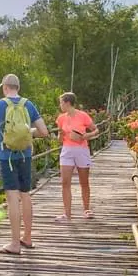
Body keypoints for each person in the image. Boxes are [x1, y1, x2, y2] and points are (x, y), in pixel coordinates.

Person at [0, 74, 48, 254]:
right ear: (18, 87)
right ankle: (27, 238)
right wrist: (27, 132)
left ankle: (15, 244)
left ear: (5, 87)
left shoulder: (0, 104)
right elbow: (44, 132)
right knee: (25, 195)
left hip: (6, 156)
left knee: (12, 198)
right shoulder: (28, 104)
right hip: (25, 156)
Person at [55, 92, 99, 221]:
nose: (60, 105)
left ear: (67, 103)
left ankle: (86, 209)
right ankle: (67, 213)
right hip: (67, 150)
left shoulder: (83, 115)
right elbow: (59, 139)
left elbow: (96, 130)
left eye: (61, 102)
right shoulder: (61, 118)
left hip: (81, 150)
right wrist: (60, 134)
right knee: (65, 182)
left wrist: (87, 136)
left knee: (84, 181)